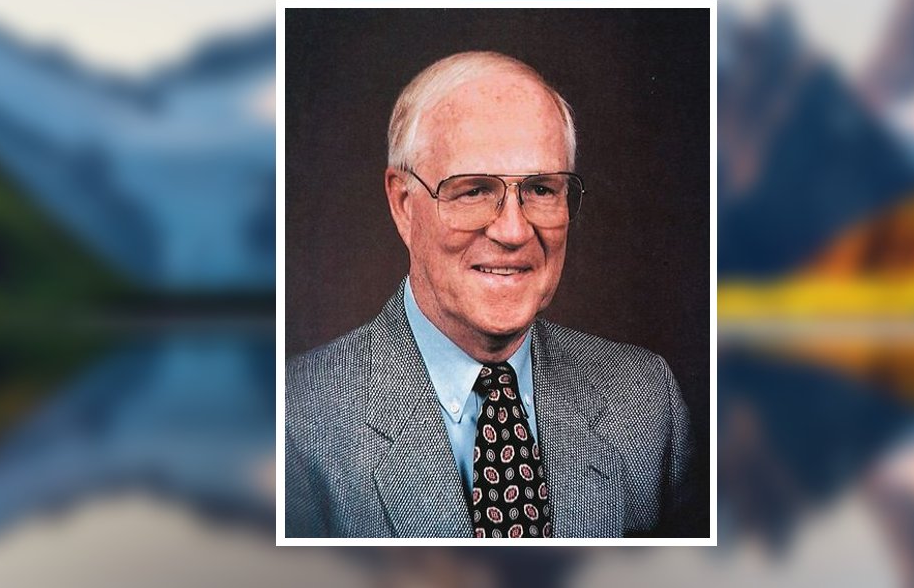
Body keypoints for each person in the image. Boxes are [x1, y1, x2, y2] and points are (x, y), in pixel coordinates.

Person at [286, 51, 692, 538]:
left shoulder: (646, 401)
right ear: (403, 204)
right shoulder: (294, 422)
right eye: (474, 190)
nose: (514, 231)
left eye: (541, 189)